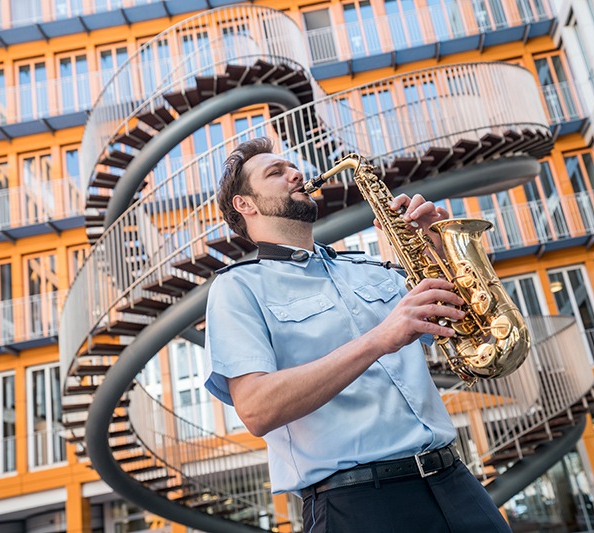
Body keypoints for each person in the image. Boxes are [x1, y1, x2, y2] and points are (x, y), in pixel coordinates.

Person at [203, 137, 512, 532]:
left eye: (291, 166)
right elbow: (257, 410)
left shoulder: (373, 269)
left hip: (454, 480)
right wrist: (379, 339)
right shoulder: (237, 288)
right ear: (244, 205)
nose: (295, 173)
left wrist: (440, 250)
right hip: (356, 505)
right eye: (275, 172)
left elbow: (468, 327)